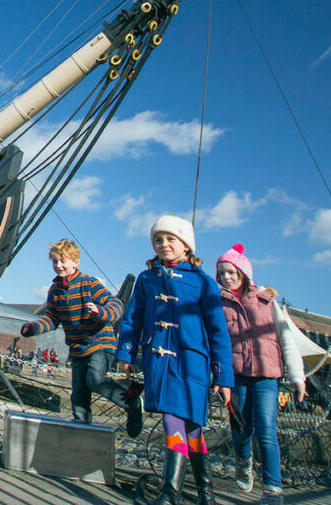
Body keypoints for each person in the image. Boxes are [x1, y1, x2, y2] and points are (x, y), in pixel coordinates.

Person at [116, 216, 233, 505]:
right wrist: (126, 354)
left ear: (186, 246)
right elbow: (132, 319)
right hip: (159, 360)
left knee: (187, 422)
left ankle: (172, 494)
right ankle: (203, 494)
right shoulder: (146, 279)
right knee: (180, 421)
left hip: (191, 361)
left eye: (171, 239)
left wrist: (223, 377)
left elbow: (218, 331)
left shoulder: (204, 283)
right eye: (158, 239)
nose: (164, 244)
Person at [19, 239, 140, 434]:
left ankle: (130, 401)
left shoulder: (89, 283)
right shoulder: (55, 291)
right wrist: (32, 328)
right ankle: (82, 432)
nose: (58, 266)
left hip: (100, 342)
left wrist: (100, 312)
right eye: (55, 262)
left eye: (63, 261)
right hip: (77, 348)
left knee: (94, 380)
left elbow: (116, 306)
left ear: (75, 261)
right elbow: (52, 319)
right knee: (79, 396)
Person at [216, 244, 306, 505]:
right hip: (237, 376)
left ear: (243, 273)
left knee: (266, 430)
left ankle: (273, 490)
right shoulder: (220, 304)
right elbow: (217, 342)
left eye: (231, 272)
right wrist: (219, 377)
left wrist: (296, 377)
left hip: (267, 376)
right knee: (241, 430)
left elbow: (286, 338)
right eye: (222, 274)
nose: (226, 278)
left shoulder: (267, 300)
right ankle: (244, 461)